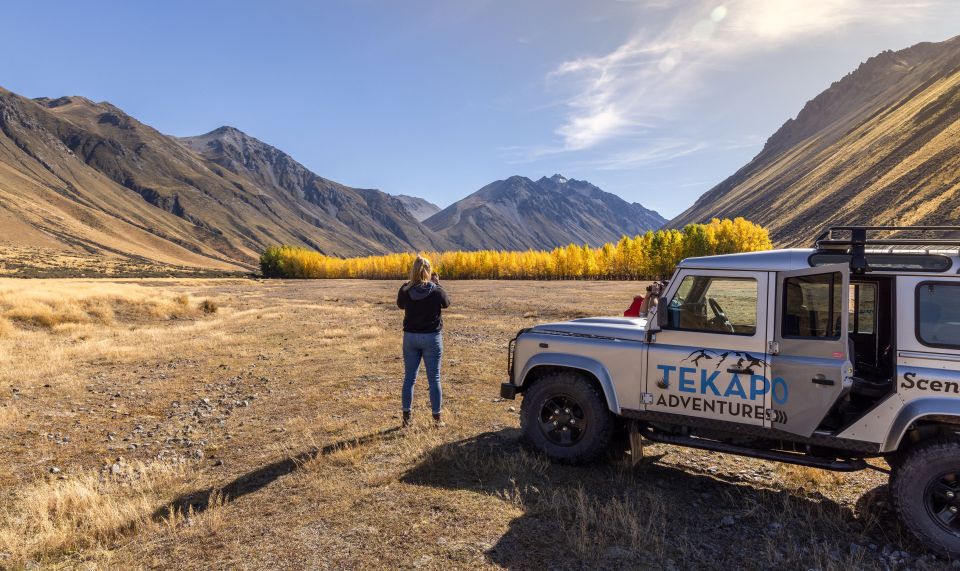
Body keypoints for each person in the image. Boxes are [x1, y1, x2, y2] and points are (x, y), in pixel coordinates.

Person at [397, 255, 450, 427]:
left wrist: (409, 285)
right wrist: (437, 283)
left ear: (413, 270)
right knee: (434, 378)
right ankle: (436, 420)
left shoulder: (405, 289)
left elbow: (400, 305)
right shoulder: (436, 290)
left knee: (409, 378)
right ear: (428, 271)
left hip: (410, 338)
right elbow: (446, 303)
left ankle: (407, 419)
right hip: (431, 338)